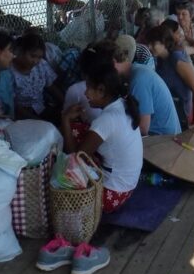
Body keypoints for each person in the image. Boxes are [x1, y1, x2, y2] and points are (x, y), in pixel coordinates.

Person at [60, 62, 143, 214]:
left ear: (101, 90)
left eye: (88, 88)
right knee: (82, 129)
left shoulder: (106, 120)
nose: (85, 94)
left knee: (74, 134)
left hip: (112, 194)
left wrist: (65, 119)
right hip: (127, 187)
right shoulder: (123, 104)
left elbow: (75, 160)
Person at [98, 35, 181, 136]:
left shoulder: (139, 80)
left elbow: (142, 129)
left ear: (113, 62)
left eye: (104, 71)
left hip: (164, 140)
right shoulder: (137, 70)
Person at [145, 24, 194, 128]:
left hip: (179, 111)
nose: (149, 47)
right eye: (148, 43)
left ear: (164, 43)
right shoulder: (159, 58)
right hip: (169, 105)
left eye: (153, 43)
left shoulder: (176, 58)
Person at [11, 33, 64, 120]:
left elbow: (51, 87)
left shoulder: (42, 65)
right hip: (21, 115)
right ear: (21, 51)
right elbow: (14, 105)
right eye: (32, 56)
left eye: (39, 57)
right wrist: (37, 121)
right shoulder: (9, 72)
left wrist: (66, 104)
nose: (35, 61)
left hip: (41, 108)